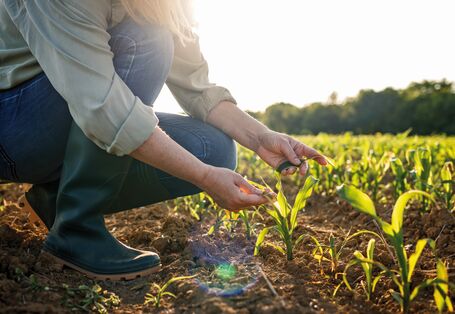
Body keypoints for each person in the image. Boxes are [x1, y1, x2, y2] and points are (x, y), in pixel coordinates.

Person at [0, 0, 327, 280]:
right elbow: (104, 110)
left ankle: (57, 200)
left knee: (210, 149)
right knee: (147, 40)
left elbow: (196, 86)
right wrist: (203, 177)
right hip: (13, 125)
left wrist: (260, 138)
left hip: (73, 108)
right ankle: (76, 230)